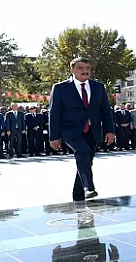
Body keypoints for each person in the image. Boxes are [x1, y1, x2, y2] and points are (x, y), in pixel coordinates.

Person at [49, 57, 115, 201]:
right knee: (82, 151)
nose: (85, 71)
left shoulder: (98, 87)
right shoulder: (60, 88)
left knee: (86, 160)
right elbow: (54, 113)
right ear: (72, 70)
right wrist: (54, 136)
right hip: (70, 131)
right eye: (80, 68)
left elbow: (105, 110)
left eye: (87, 68)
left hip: (93, 131)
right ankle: (89, 187)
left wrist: (110, 131)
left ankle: (78, 195)